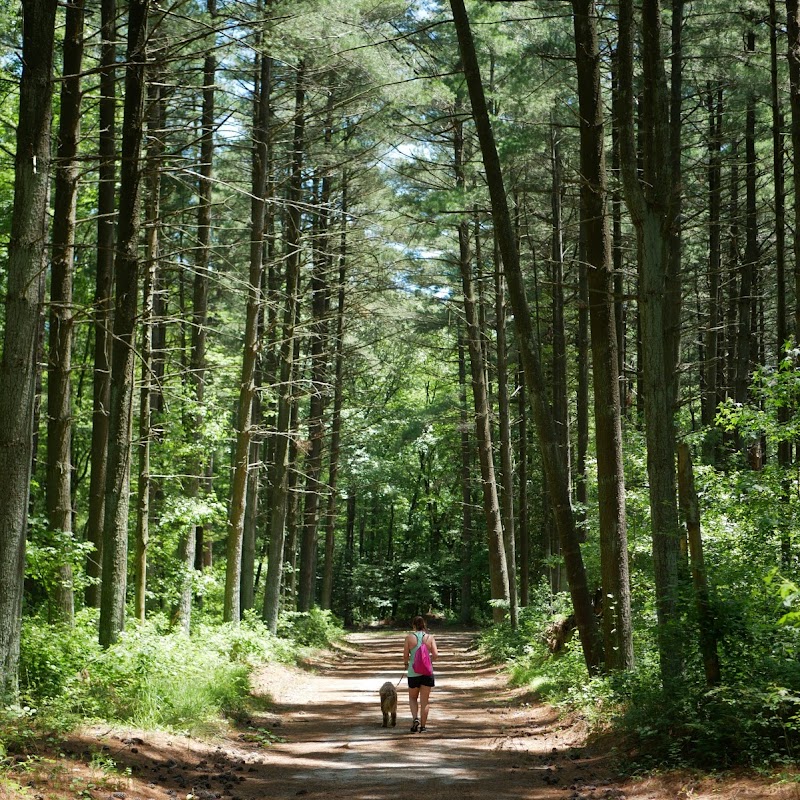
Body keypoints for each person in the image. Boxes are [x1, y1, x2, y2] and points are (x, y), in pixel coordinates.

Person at [403, 615, 438, 733]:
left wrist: (406, 664)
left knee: (413, 697)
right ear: (424, 625)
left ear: (413, 625)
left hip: (413, 672)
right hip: (427, 672)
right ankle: (423, 727)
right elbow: (436, 655)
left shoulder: (409, 638)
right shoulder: (430, 637)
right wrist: (428, 661)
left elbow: (405, 656)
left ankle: (415, 718)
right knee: (425, 701)